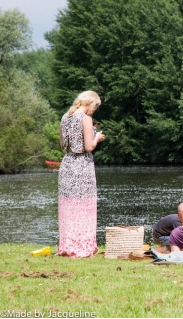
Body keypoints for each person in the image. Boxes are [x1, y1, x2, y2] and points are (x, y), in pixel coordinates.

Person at [57, 91, 106, 258]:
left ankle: (67, 246)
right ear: (90, 103)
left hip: (67, 163)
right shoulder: (85, 119)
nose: (94, 110)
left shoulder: (65, 117)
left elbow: (62, 143)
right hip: (82, 165)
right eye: (95, 107)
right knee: (84, 205)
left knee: (68, 206)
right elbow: (89, 147)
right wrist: (96, 137)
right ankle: (82, 247)